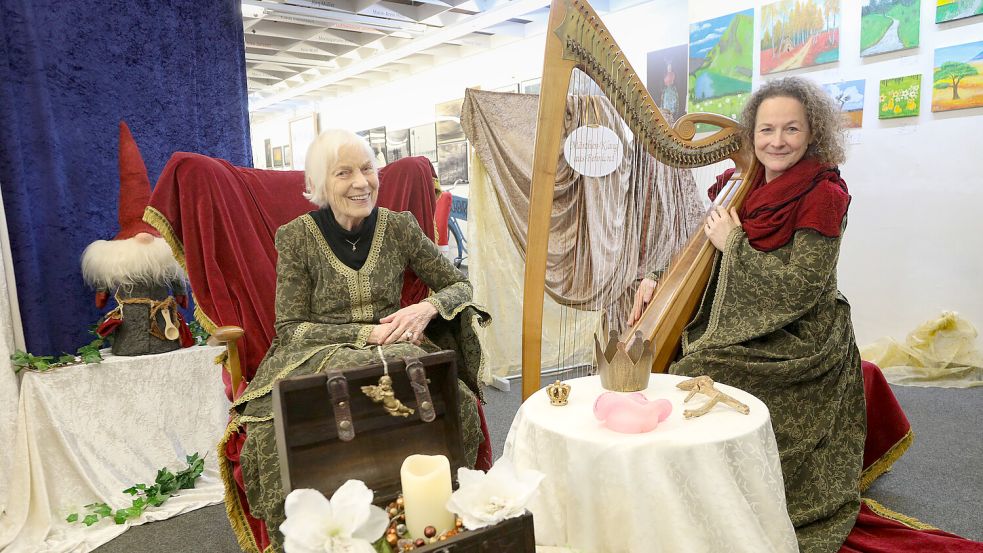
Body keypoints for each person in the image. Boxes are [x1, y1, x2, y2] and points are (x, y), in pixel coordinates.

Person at [629, 76, 865, 553]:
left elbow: (801, 288)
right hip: (742, 317)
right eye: (766, 130)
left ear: (813, 133)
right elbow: (699, 245)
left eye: (791, 130)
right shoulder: (741, 182)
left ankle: (730, 500)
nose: (777, 141)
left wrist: (734, 245)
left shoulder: (824, 194)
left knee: (698, 370)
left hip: (801, 332)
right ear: (751, 134)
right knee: (675, 358)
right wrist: (655, 274)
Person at [226, 129, 490, 552]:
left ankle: (440, 525)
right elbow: (291, 327)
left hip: (395, 347)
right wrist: (365, 334)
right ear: (318, 185)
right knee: (269, 438)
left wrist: (425, 308)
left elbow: (460, 286)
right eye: (343, 173)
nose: (361, 182)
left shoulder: (400, 227)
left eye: (367, 169)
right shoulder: (295, 236)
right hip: (315, 353)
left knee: (455, 400)